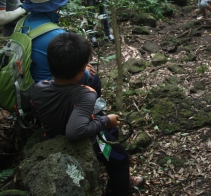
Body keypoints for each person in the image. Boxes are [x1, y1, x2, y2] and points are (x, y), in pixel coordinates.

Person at [30, 32, 144, 195]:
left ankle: (108, 163)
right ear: (80, 71)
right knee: (121, 159)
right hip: (84, 139)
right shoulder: (85, 94)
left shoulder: (39, 87)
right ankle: (120, 188)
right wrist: (105, 121)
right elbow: (75, 131)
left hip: (52, 132)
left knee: (112, 132)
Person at [21, 0, 101, 93]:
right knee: (93, 79)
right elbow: (72, 74)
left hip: (26, 85)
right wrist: (84, 70)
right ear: (56, 4)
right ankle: (93, 111)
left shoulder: (22, 23)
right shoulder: (57, 36)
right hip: (48, 91)